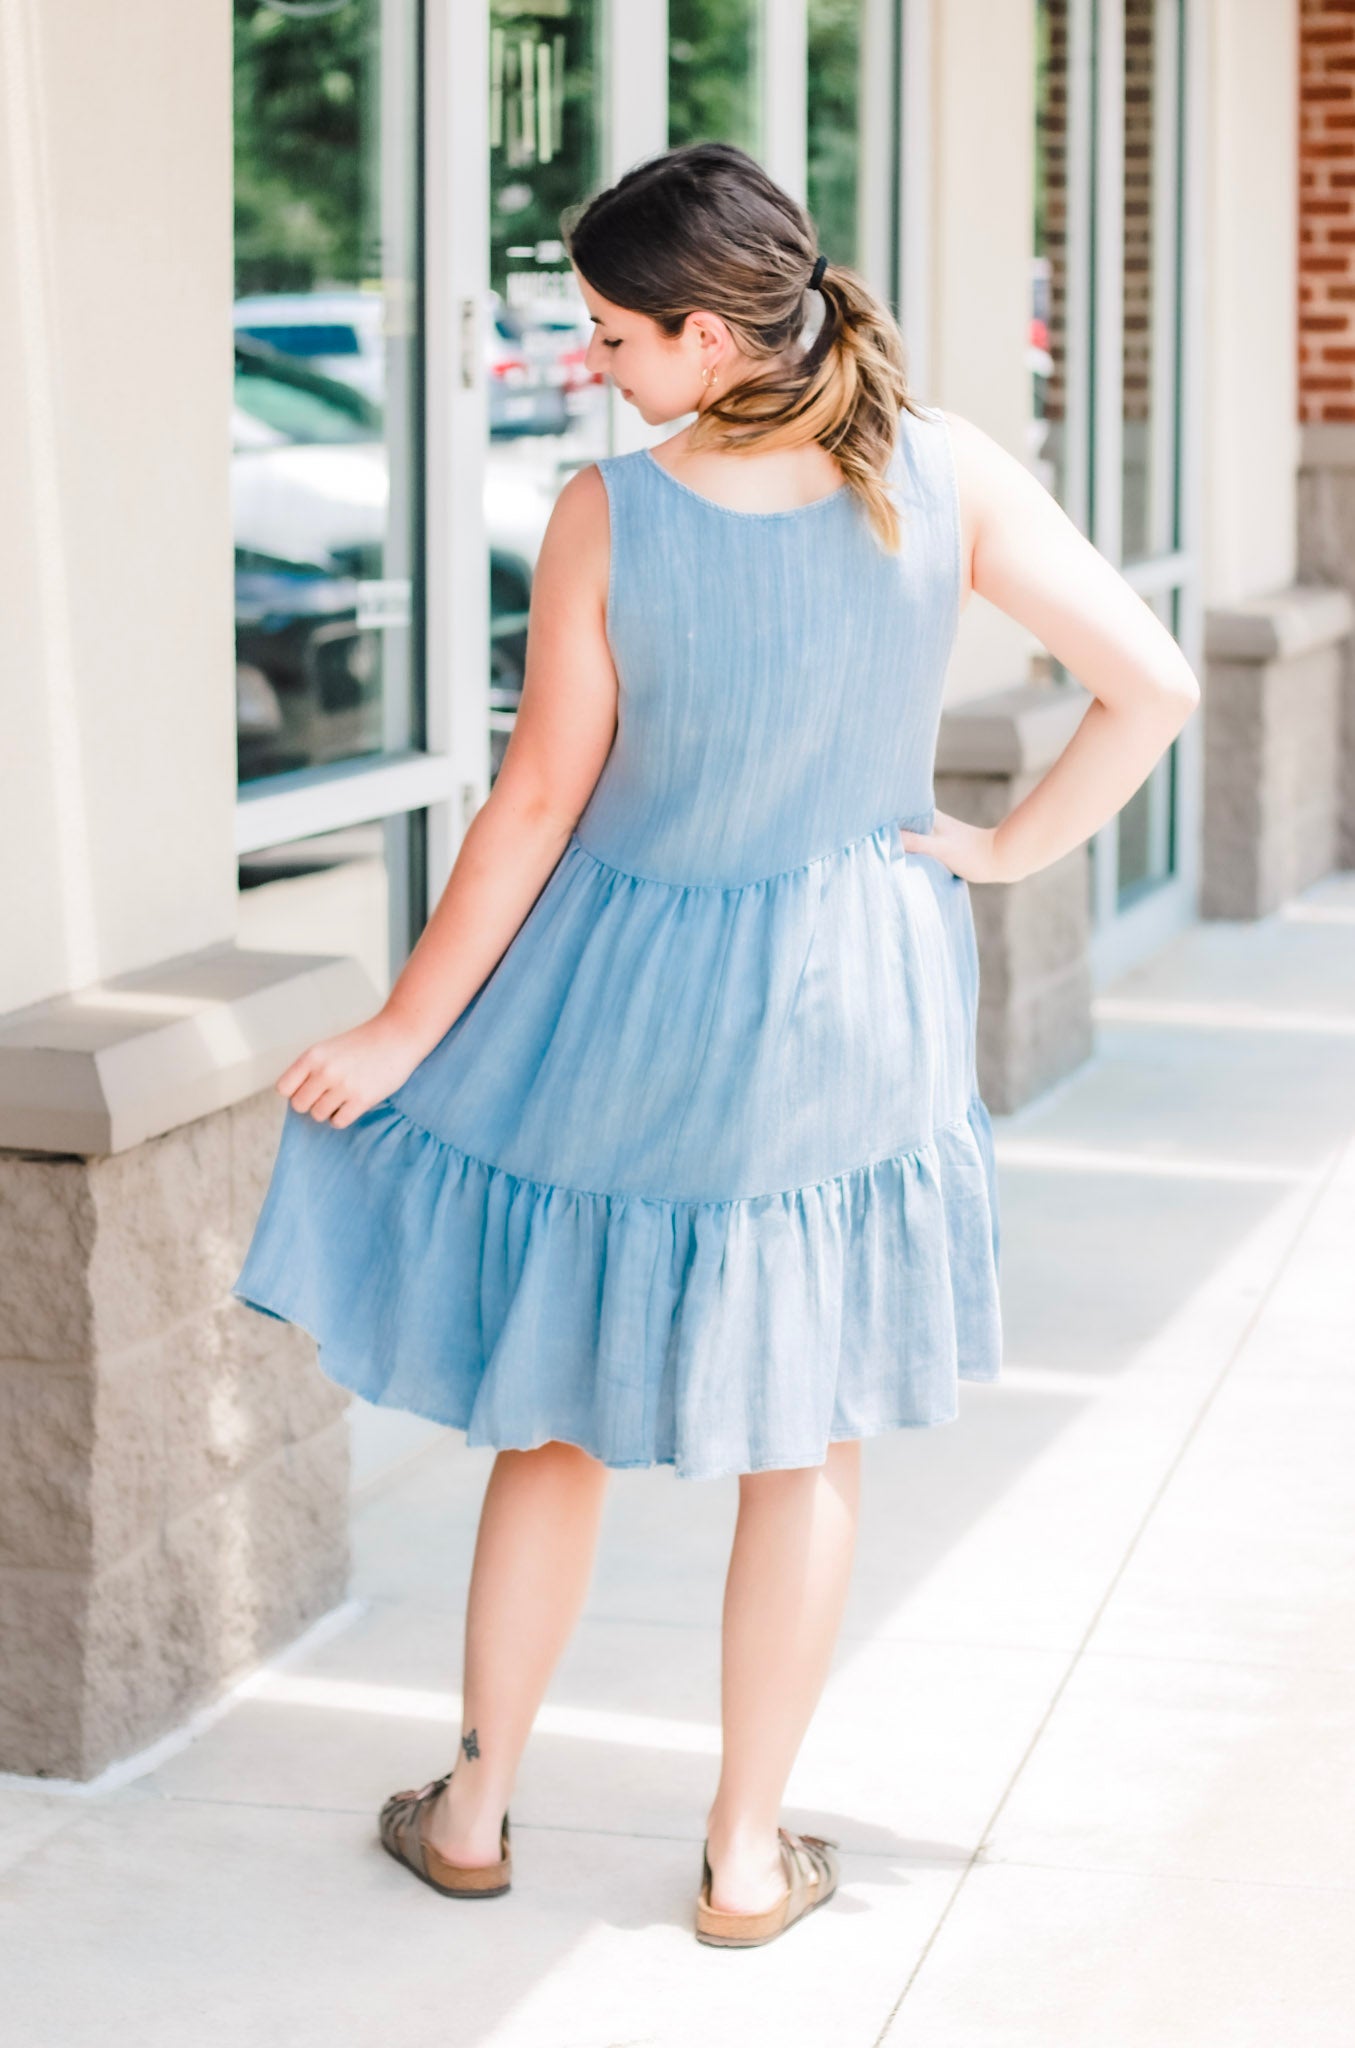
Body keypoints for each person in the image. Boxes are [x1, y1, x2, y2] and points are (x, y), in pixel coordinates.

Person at [231, 141, 1199, 1949]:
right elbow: (1156, 685)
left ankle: (476, 1811)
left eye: (612, 335)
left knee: (553, 1413)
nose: (594, 363)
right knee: (804, 1437)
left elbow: (535, 804)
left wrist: (403, 1029)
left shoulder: (612, 515)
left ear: (705, 331)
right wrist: (1001, 852)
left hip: (628, 990)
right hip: (857, 994)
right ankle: (745, 1859)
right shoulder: (946, 472)